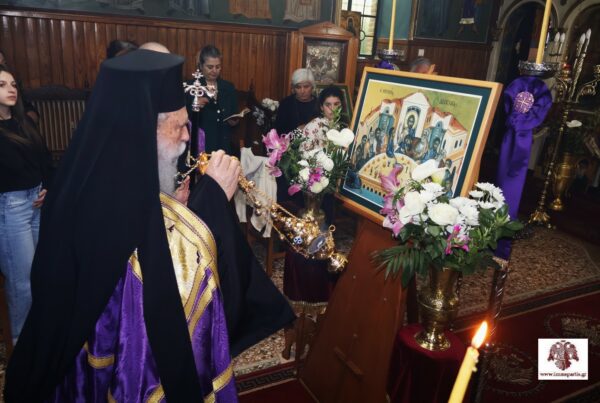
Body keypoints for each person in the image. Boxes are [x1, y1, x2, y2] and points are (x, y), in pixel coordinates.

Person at [5, 49, 294, 402]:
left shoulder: (92, 172)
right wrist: (214, 198)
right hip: (122, 371)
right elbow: (164, 285)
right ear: (144, 131)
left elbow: (144, 229)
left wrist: (175, 206)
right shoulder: (110, 198)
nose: (187, 137)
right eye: (179, 126)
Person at [0, 65, 53, 345]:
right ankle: (21, 343)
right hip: (10, 207)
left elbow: (44, 158)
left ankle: (39, 337)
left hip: (35, 202)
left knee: (40, 273)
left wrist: (48, 186)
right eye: (2, 85)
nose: (11, 89)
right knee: (22, 282)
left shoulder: (22, 122)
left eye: (13, 84)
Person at [187, 45, 240, 155]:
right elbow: (183, 119)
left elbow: (234, 114)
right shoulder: (192, 87)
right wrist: (194, 106)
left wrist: (234, 121)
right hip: (201, 146)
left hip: (224, 144)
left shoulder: (228, 87)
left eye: (218, 67)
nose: (214, 71)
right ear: (201, 66)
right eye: (210, 67)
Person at [275, 68, 320, 135]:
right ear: (293, 88)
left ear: (312, 86)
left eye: (306, 86)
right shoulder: (286, 103)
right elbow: (278, 131)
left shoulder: (319, 104)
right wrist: (297, 131)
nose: (302, 91)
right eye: (298, 87)